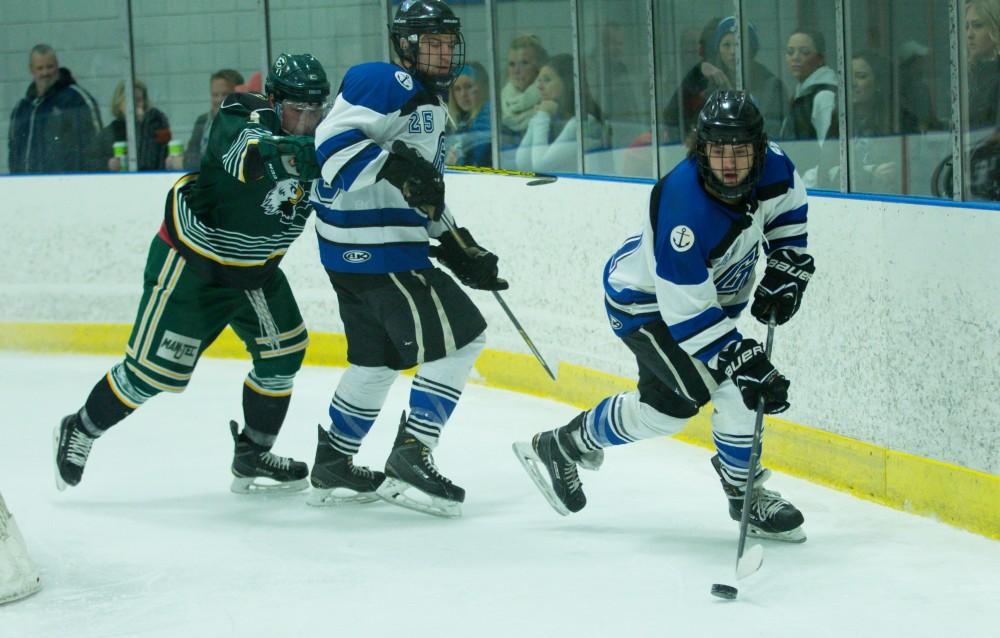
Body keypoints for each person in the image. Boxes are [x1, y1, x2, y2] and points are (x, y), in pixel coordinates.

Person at [514, 91, 815, 544]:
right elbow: (687, 316)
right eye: (719, 151)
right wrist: (743, 360)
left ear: (758, 147)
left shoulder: (776, 166)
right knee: (734, 385)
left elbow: (788, 220)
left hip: (699, 309)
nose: (730, 163)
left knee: (666, 412)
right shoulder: (684, 208)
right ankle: (744, 494)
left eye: (740, 151)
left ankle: (563, 445)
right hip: (647, 308)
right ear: (701, 150)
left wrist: (786, 270)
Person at [53, 53, 332, 494]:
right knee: (150, 375)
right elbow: (262, 158)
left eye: (317, 110)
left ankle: (253, 454)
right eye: (299, 109)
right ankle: (81, 428)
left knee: (284, 353)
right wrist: (334, 148)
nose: (308, 120)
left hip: (255, 272)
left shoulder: (325, 135)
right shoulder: (241, 113)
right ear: (275, 100)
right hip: (193, 265)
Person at [307, 0, 507, 518]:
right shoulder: (386, 82)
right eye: (430, 42)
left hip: (358, 253)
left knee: (373, 363)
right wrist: (395, 165)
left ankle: (333, 462)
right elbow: (328, 149)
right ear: (404, 44)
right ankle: (411, 455)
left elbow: (419, 190)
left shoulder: (432, 107)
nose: (442, 52)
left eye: (447, 42)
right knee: (465, 338)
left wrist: (456, 241)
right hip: (378, 253)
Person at [8, 44, 101, 174]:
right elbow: (14, 153)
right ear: (31, 70)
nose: (45, 72)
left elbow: (97, 146)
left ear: (57, 66)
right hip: (28, 188)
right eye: (40, 68)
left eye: (49, 67)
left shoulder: (76, 100)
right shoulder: (21, 109)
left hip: (68, 186)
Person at [515, 53, 604, 173]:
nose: (540, 87)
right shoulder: (553, 119)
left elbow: (541, 167)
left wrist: (542, 116)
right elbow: (522, 163)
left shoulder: (582, 122)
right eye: (539, 81)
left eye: (547, 80)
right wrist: (536, 119)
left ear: (566, 83)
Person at [779, 28, 838, 188]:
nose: (795, 58)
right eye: (790, 52)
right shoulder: (801, 93)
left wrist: (806, 183)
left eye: (804, 52)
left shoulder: (824, 96)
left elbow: (830, 154)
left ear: (821, 58)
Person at [710, 16, 787, 138]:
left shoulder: (772, 86)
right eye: (726, 45)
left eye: (738, 45)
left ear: (752, 49)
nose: (733, 52)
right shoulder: (713, 86)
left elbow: (774, 131)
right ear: (718, 49)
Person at [167, 69, 244, 171]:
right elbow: (192, 153)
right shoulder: (202, 121)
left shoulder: (245, 123)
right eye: (215, 95)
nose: (219, 99)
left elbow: (224, 161)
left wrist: (184, 163)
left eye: (225, 94)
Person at [95, 80, 172, 171]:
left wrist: (147, 124)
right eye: (134, 100)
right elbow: (91, 161)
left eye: (142, 99)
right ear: (120, 104)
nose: (141, 105)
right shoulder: (109, 133)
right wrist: (108, 164)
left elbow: (166, 151)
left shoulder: (156, 124)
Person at [500, 34, 548, 146]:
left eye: (524, 63)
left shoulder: (549, 99)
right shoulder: (499, 102)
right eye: (512, 64)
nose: (516, 71)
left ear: (539, 67)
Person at [446, 62, 491, 167]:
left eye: (468, 86)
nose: (463, 94)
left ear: (482, 87)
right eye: (457, 89)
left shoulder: (487, 117)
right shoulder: (464, 122)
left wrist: (458, 161)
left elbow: (476, 163)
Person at [965, 0, 1000, 130]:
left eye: (977, 25)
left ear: (995, 27)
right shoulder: (967, 75)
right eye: (966, 27)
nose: (969, 34)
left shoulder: (994, 76)